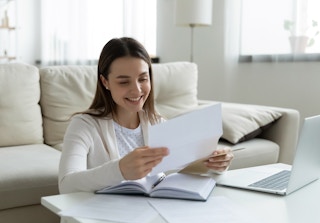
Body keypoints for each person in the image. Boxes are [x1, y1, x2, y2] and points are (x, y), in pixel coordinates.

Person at [58, 37, 233, 194]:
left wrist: (214, 164)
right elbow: (66, 184)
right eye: (124, 81)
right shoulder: (84, 125)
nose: (137, 90)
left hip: (154, 212)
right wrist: (120, 169)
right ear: (105, 82)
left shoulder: (157, 123)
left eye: (143, 78)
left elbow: (181, 169)